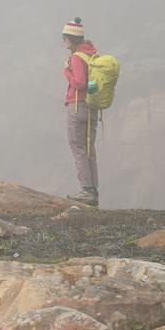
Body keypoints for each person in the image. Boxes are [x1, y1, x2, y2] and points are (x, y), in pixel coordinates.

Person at [62, 18, 99, 206]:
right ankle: (93, 189)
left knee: (78, 148)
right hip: (92, 107)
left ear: (70, 39)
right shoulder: (91, 54)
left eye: (64, 37)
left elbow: (80, 82)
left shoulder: (76, 57)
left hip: (77, 106)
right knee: (89, 148)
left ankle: (86, 190)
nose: (63, 41)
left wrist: (66, 72)